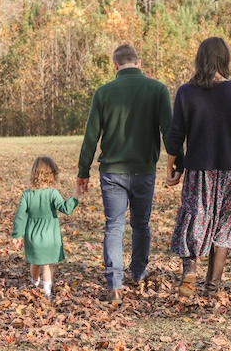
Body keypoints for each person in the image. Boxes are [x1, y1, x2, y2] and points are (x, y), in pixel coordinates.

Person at [77, 44, 182, 304]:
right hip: (144, 170)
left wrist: (83, 171)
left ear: (115, 65)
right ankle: (137, 272)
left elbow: (91, 136)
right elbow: (169, 132)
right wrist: (178, 164)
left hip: (112, 172)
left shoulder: (103, 92)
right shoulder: (157, 89)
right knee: (141, 225)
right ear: (139, 62)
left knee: (114, 226)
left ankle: (115, 283)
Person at [165, 36, 231, 297]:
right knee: (224, 223)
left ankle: (190, 269)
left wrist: (171, 167)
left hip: (199, 169)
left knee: (194, 216)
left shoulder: (186, 92)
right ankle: (212, 285)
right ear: (224, 59)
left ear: (200, 59)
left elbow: (175, 135)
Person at [12, 156, 81, 298]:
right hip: (49, 236)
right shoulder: (52, 193)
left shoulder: (27, 194)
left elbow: (20, 216)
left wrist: (17, 234)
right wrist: (75, 194)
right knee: (48, 265)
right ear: (52, 174)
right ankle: (47, 291)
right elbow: (66, 208)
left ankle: (34, 282)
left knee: (35, 262)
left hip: (32, 235)